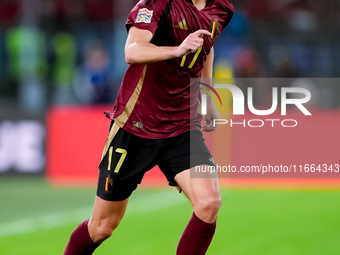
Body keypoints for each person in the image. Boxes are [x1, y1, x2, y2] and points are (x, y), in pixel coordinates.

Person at [63, 0, 233, 254]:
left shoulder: (221, 8)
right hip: (136, 124)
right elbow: (132, 51)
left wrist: (205, 96)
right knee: (102, 227)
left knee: (209, 203)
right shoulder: (159, 3)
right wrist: (177, 50)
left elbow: (205, 46)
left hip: (181, 125)